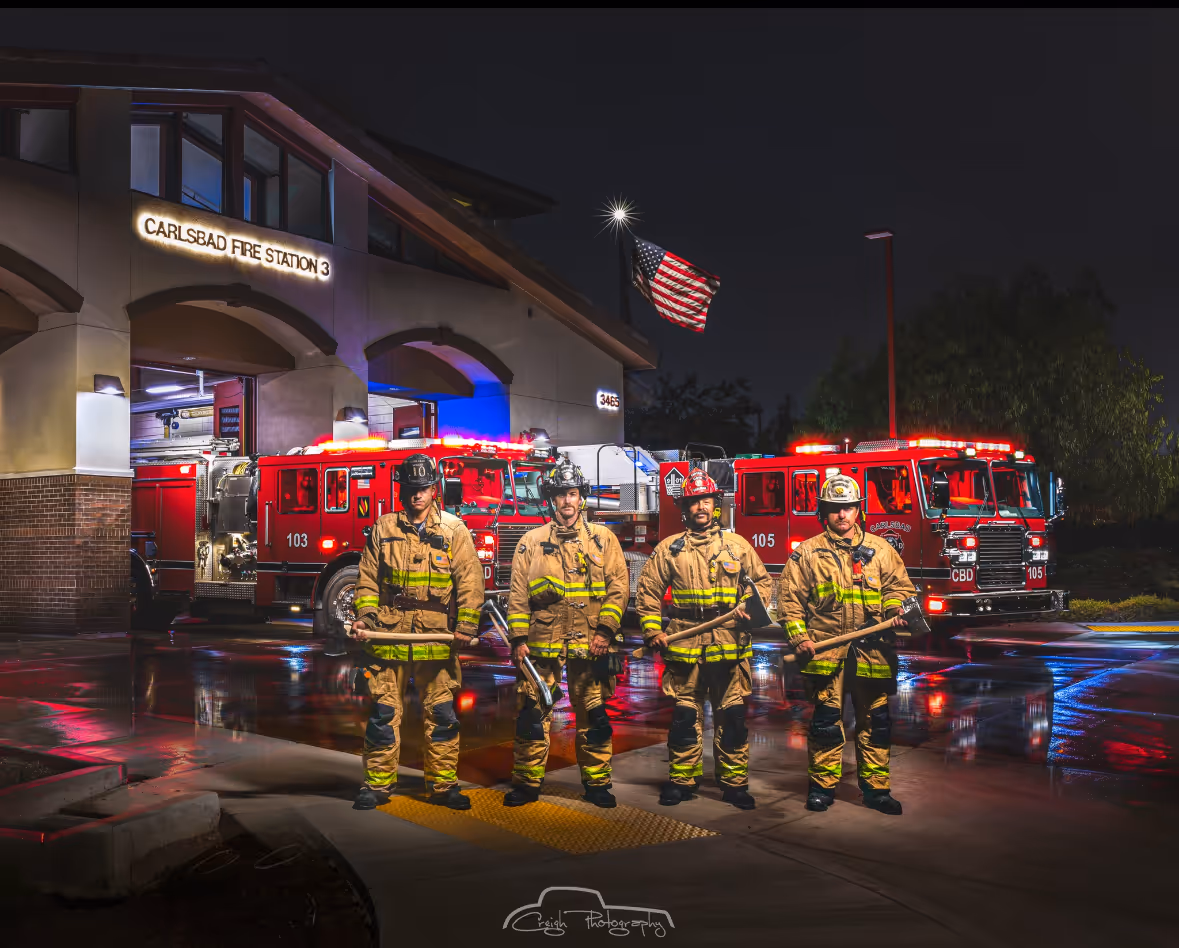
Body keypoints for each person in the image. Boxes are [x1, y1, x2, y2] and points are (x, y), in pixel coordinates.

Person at [350, 453, 484, 811]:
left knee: (441, 715)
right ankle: (377, 786)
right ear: (402, 490)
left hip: (436, 640)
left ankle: (443, 787)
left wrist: (466, 626)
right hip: (388, 637)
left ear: (434, 490)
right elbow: (367, 581)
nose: (417, 495)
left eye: (423, 488)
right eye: (411, 488)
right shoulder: (384, 528)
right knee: (382, 715)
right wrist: (365, 617)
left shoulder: (455, 531)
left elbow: (471, 582)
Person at [778, 474, 915, 815]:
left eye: (849, 508)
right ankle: (822, 788)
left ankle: (877, 791)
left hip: (873, 653)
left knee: (876, 723)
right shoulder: (806, 554)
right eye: (835, 509)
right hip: (828, 654)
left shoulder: (882, 550)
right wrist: (800, 637)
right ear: (824, 512)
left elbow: (901, 588)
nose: (842, 515)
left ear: (858, 511)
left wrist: (896, 609)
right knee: (826, 723)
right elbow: (789, 603)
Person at [635, 468, 772, 810]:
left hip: (729, 646)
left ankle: (735, 784)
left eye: (706, 500)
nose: (700, 507)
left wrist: (747, 607)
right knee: (685, 719)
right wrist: (653, 630)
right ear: (686, 507)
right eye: (694, 501)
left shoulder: (737, 546)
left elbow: (764, 586)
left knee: (733, 719)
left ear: (716, 505)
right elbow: (648, 592)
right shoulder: (670, 549)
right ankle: (682, 781)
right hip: (685, 647)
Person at [503, 458, 629, 808]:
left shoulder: (604, 540)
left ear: (581, 497)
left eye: (572, 494)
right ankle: (527, 784)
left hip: (592, 644)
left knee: (595, 716)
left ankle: (598, 784)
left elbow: (619, 587)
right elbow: (517, 595)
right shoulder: (531, 542)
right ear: (551, 500)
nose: (567, 502)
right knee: (532, 714)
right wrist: (518, 640)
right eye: (560, 495)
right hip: (543, 645)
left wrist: (605, 630)